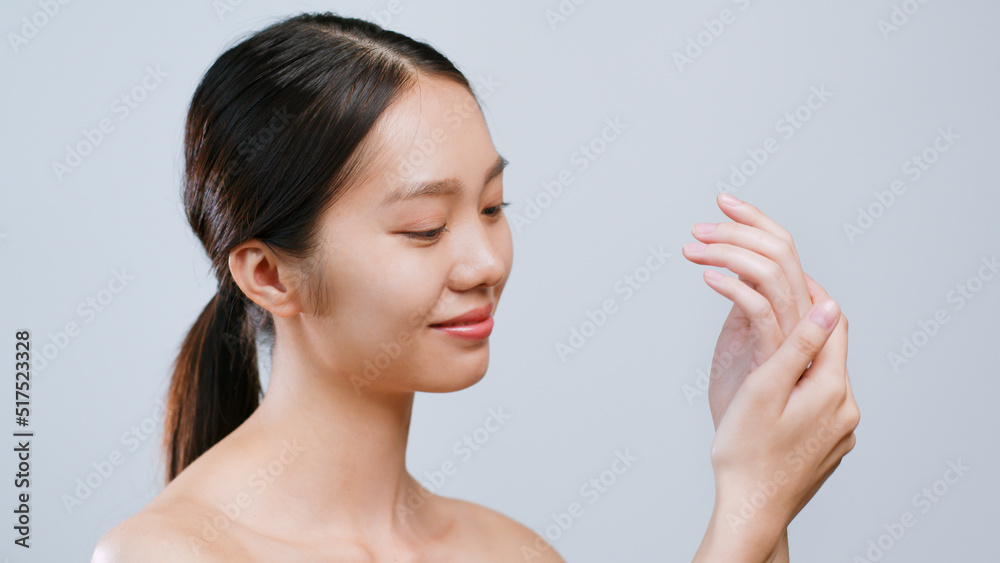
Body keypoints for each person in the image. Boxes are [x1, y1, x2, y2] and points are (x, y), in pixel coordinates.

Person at [91, 12, 859, 562]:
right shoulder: (169, 553)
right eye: (425, 227)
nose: (485, 261)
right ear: (268, 273)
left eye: (493, 208)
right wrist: (748, 508)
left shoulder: (512, 550)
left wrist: (758, 485)